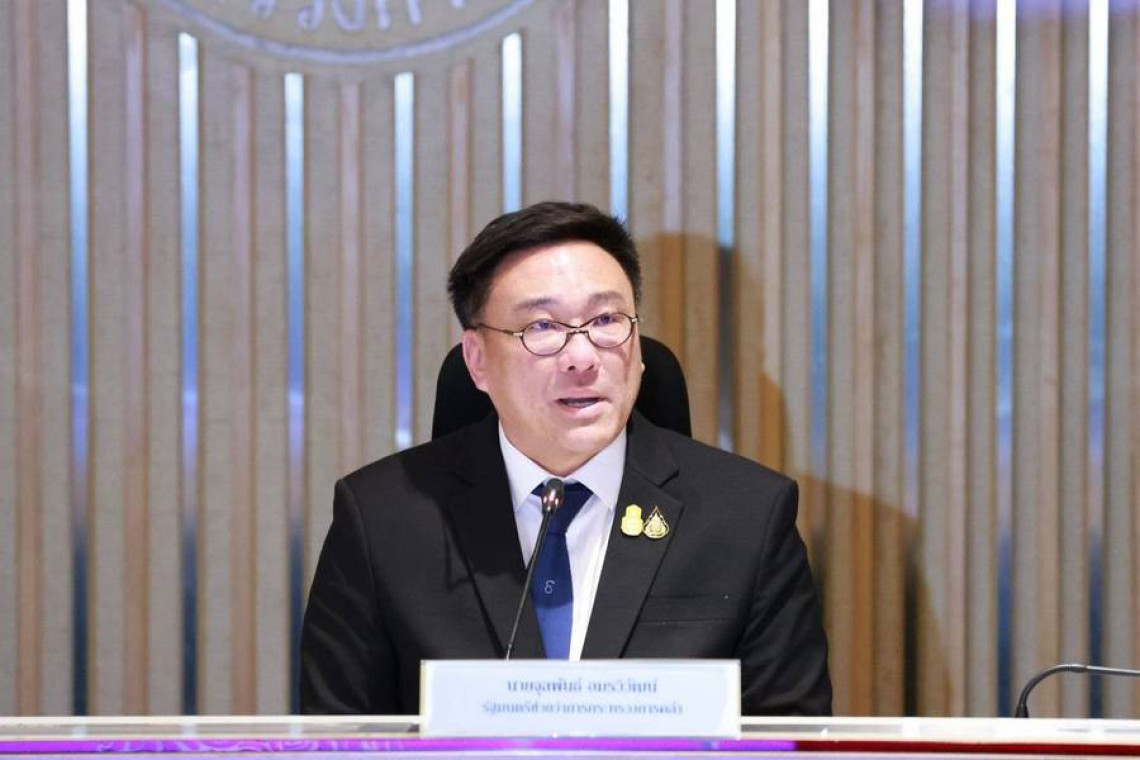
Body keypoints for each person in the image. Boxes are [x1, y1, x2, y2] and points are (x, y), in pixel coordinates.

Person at [300, 201, 831, 716]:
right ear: (477, 360)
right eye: (542, 327)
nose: (582, 357)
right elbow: (338, 739)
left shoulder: (748, 517)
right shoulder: (381, 520)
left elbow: (790, 740)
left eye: (606, 319)